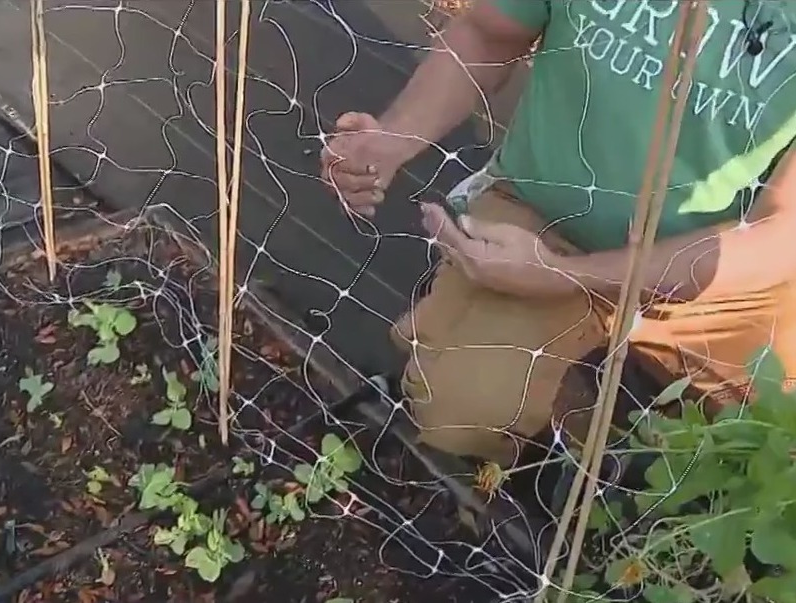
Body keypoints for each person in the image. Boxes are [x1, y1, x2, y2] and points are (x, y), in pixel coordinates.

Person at [320, 0, 796, 468]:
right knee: (459, 412)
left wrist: (565, 277)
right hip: (545, 223)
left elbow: (781, 234)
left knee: (770, 447)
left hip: (726, 279)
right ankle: (548, 426)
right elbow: (490, 32)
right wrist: (394, 136)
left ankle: (583, 388)